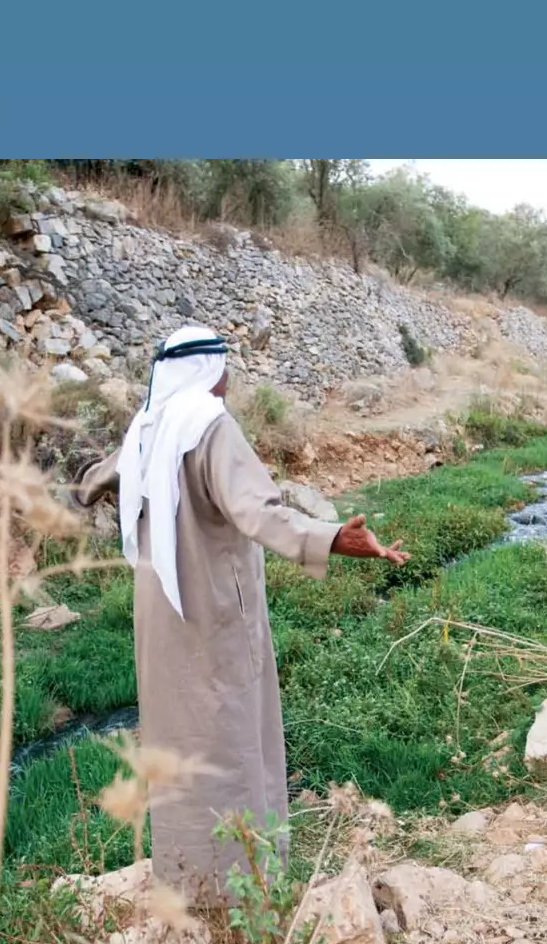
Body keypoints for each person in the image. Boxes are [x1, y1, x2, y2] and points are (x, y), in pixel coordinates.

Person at [72, 325, 410, 899]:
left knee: (178, 738)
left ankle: (182, 874)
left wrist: (78, 493)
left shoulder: (149, 427)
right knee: (227, 735)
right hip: (214, 613)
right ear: (209, 370)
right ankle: (241, 883)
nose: (229, 378)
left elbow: (95, 480)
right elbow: (259, 511)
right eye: (224, 366)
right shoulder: (210, 426)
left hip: (159, 618)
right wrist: (332, 538)